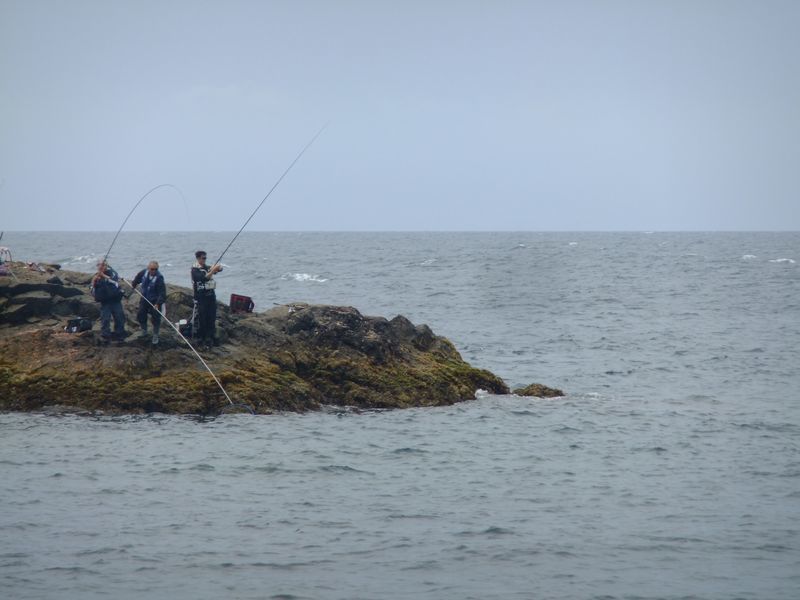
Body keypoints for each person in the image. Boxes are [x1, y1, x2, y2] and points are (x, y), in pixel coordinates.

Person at [91, 259, 128, 342]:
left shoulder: (112, 273)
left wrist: (103, 276)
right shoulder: (96, 276)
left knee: (119, 317)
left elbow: (114, 281)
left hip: (115, 300)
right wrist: (94, 283)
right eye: (99, 265)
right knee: (105, 319)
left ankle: (119, 334)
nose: (101, 267)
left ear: (106, 266)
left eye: (103, 265)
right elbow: (92, 289)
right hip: (105, 301)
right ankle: (105, 335)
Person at [191, 250, 222, 348]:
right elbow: (204, 278)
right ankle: (202, 337)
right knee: (202, 317)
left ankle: (210, 336)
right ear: (198, 258)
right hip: (201, 297)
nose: (204, 260)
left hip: (211, 296)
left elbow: (218, 270)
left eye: (205, 258)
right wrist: (212, 271)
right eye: (203, 258)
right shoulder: (195, 269)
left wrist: (217, 268)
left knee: (211, 316)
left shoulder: (206, 267)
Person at [131, 261, 167, 345]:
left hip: (155, 300)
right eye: (152, 269)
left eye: (155, 269)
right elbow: (137, 278)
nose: (153, 271)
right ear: (148, 268)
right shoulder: (144, 273)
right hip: (144, 298)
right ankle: (144, 330)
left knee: (155, 318)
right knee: (141, 313)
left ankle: (155, 335)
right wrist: (134, 284)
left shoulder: (159, 278)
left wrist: (158, 303)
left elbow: (162, 293)